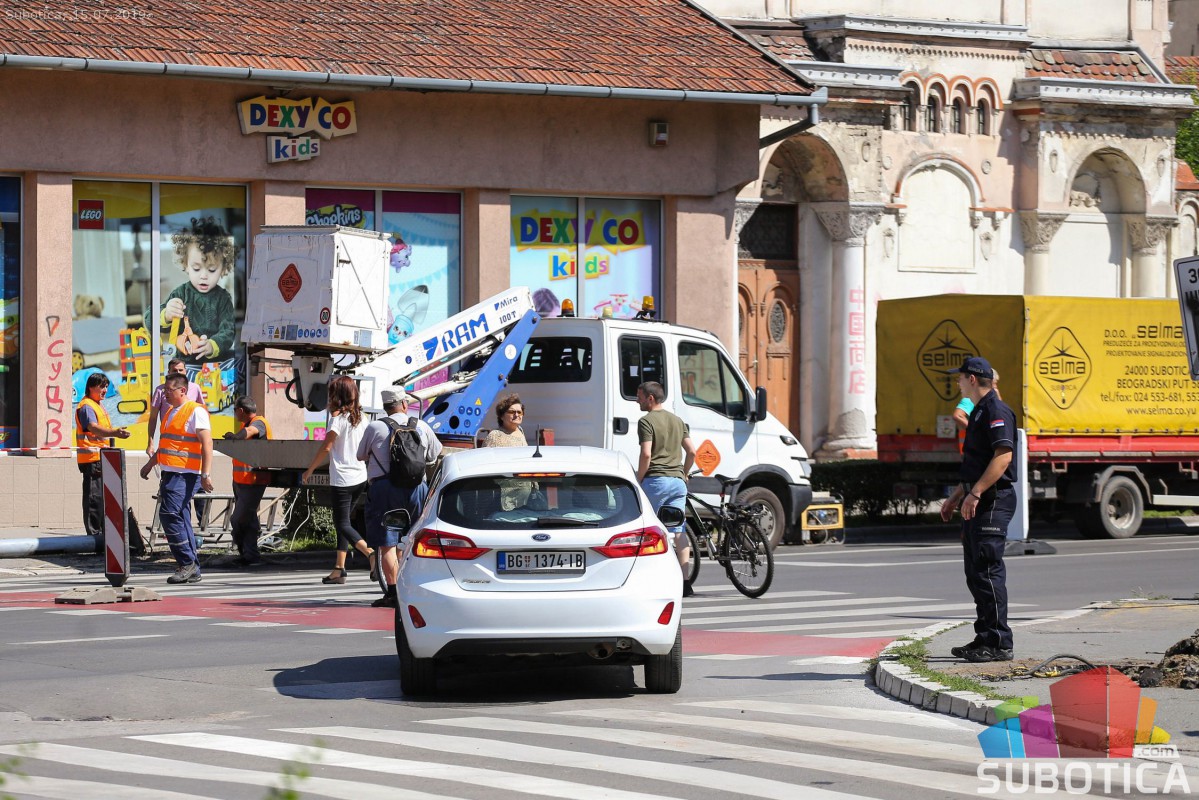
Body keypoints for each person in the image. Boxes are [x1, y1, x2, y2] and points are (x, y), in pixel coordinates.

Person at [939, 356, 1017, 663]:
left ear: (972, 379)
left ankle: (999, 643)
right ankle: (984, 637)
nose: (957, 383)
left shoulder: (996, 410)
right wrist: (957, 496)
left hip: (992, 500)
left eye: (959, 378)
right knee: (975, 574)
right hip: (977, 497)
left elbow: (1003, 457)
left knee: (987, 571)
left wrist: (975, 493)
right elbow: (977, 463)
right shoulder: (980, 410)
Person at [358, 390, 441, 608]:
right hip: (417, 489)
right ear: (404, 404)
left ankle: (393, 593)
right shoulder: (421, 426)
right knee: (412, 539)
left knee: (387, 543)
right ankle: (409, 590)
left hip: (385, 488)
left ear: (385, 406)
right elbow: (434, 454)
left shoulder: (376, 427)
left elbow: (360, 455)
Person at [301, 375, 374, 585]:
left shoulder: (337, 420)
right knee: (345, 522)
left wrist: (309, 470)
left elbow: (326, 447)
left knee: (341, 524)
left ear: (338, 396)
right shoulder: (363, 418)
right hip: (360, 476)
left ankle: (370, 554)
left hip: (342, 479)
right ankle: (339, 568)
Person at [145, 372, 214, 584]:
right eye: (164, 390)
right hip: (171, 474)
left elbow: (207, 443)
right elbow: (167, 445)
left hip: (185, 474)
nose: (164, 394)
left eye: (169, 390)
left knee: (169, 514)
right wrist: (149, 465)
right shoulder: (170, 412)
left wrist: (206, 474)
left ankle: (186, 563)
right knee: (181, 518)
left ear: (182, 390)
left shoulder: (195, 411)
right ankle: (192, 567)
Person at [634, 381, 697, 595]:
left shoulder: (646, 421)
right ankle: (685, 583)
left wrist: (639, 479)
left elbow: (646, 454)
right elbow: (692, 452)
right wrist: (684, 473)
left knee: (648, 528)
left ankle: (650, 579)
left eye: (640, 397)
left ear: (650, 398)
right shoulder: (678, 421)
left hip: (656, 481)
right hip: (678, 482)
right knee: (678, 530)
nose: (637, 401)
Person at [146, 216, 236, 364]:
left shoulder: (223, 298)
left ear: (223, 268)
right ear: (186, 265)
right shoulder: (180, 294)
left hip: (215, 363)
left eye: (212, 270)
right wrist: (166, 314)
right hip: (184, 363)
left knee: (239, 363)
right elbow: (149, 320)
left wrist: (212, 345)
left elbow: (228, 331)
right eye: (196, 268)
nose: (203, 276)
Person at [75, 373, 131, 538]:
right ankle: (94, 535)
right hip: (92, 459)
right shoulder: (87, 406)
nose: (105, 390)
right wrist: (115, 433)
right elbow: (92, 427)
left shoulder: (96, 405)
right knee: (94, 498)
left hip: (100, 458)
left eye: (106, 386)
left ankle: (100, 534)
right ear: (91, 387)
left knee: (100, 498)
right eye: (101, 386)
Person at [224, 396, 271, 566]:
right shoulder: (246, 425)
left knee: (238, 519)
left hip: (253, 481)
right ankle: (250, 556)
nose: (235, 414)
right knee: (249, 519)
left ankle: (244, 550)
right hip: (242, 481)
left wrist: (234, 437)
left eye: (235, 410)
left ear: (241, 410)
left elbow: (250, 432)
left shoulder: (259, 422)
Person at [146, 358, 205, 459]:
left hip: (190, 446)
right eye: (174, 370)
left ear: (185, 371)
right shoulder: (160, 390)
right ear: (169, 372)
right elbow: (153, 418)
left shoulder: (195, 388)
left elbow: (203, 415)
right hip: (169, 444)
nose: (178, 373)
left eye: (181, 370)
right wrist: (150, 443)